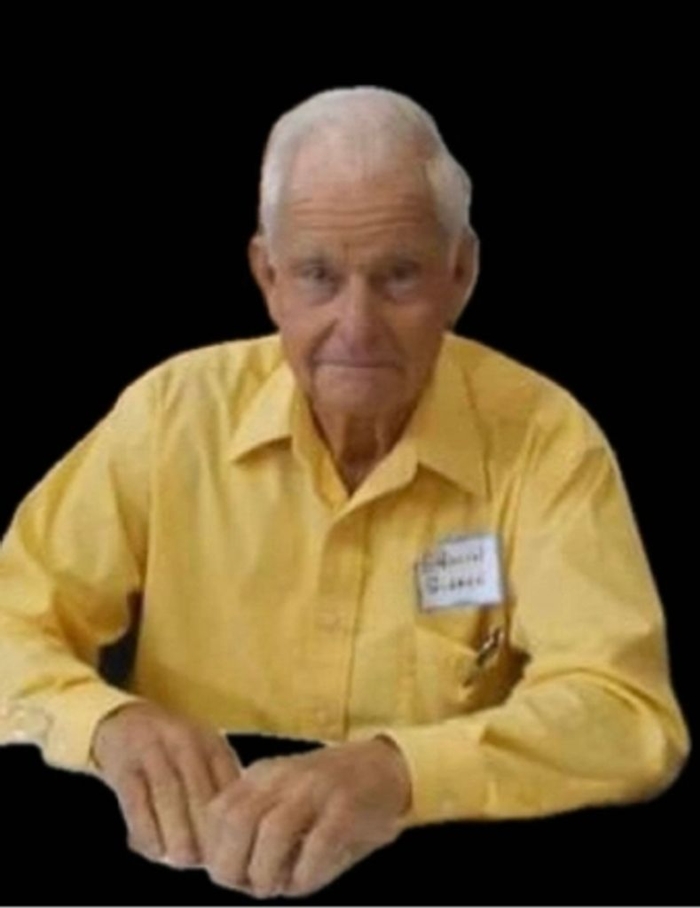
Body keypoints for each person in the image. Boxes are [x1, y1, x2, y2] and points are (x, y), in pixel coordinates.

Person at [0, 86, 690, 899]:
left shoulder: (546, 442)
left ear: (461, 272)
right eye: (317, 276)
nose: (356, 327)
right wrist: (104, 722)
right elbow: (8, 625)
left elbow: (624, 714)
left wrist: (399, 772)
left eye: (398, 276)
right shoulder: (170, 416)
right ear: (267, 275)